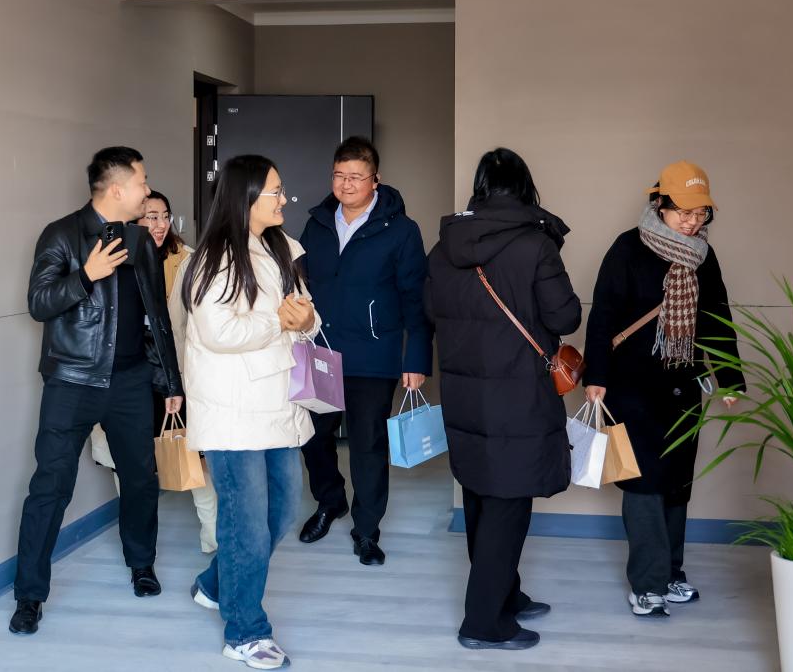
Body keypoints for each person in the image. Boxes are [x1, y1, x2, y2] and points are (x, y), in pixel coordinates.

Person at [9, 147, 184, 636]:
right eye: (142, 182)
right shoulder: (61, 235)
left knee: (141, 479)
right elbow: (39, 303)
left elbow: (157, 317)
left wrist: (171, 380)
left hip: (131, 381)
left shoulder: (141, 240)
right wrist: (87, 275)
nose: (147, 191)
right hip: (72, 380)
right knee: (51, 486)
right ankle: (29, 595)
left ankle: (142, 564)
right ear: (117, 188)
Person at [425, 148, 581, 652]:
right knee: (509, 503)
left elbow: (430, 310)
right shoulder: (535, 244)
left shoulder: (444, 246)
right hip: (518, 393)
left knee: (481, 494)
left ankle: (505, 594)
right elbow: (565, 317)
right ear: (525, 188)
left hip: (464, 393)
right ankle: (483, 622)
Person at [173, 155, 317, 670]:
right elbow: (218, 332)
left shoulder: (282, 247)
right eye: (275, 191)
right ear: (246, 196)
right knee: (247, 526)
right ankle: (245, 632)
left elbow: (305, 311)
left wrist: (304, 319)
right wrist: (280, 322)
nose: (284, 199)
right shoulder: (211, 259)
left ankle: (216, 584)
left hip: (279, 405)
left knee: (282, 512)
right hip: (233, 413)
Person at [583, 160, 744, 618]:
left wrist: (729, 377)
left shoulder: (703, 256)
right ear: (660, 205)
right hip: (632, 386)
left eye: (700, 213)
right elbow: (604, 313)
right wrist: (596, 377)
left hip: (682, 385)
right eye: (683, 212)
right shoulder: (627, 248)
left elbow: (716, 316)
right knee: (643, 484)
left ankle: (672, 573)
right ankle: (648, 584)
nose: (692, 221)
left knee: (676, 484)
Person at [296, 136, 433, 565]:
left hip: (373, 355)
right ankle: (330, 500)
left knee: (367, 445)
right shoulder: (317, 223)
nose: (346, 184)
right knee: (313, 437)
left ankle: (367, 530)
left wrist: (416, 358)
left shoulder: (401, 230)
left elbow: (416, 299)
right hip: (320, 349)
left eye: (356, 176)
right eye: (339, 175)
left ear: (376, 180)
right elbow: (300, 283)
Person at [90, 190, 219, 554]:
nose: (160, 224)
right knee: (126, 458)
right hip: (128, 372)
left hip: (176, 373)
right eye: (150, 217)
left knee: (192, 454)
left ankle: (214, 533)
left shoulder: (188, 261)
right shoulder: (114, 259)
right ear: (134, 221)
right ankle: (137, 540)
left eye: (164, 216)